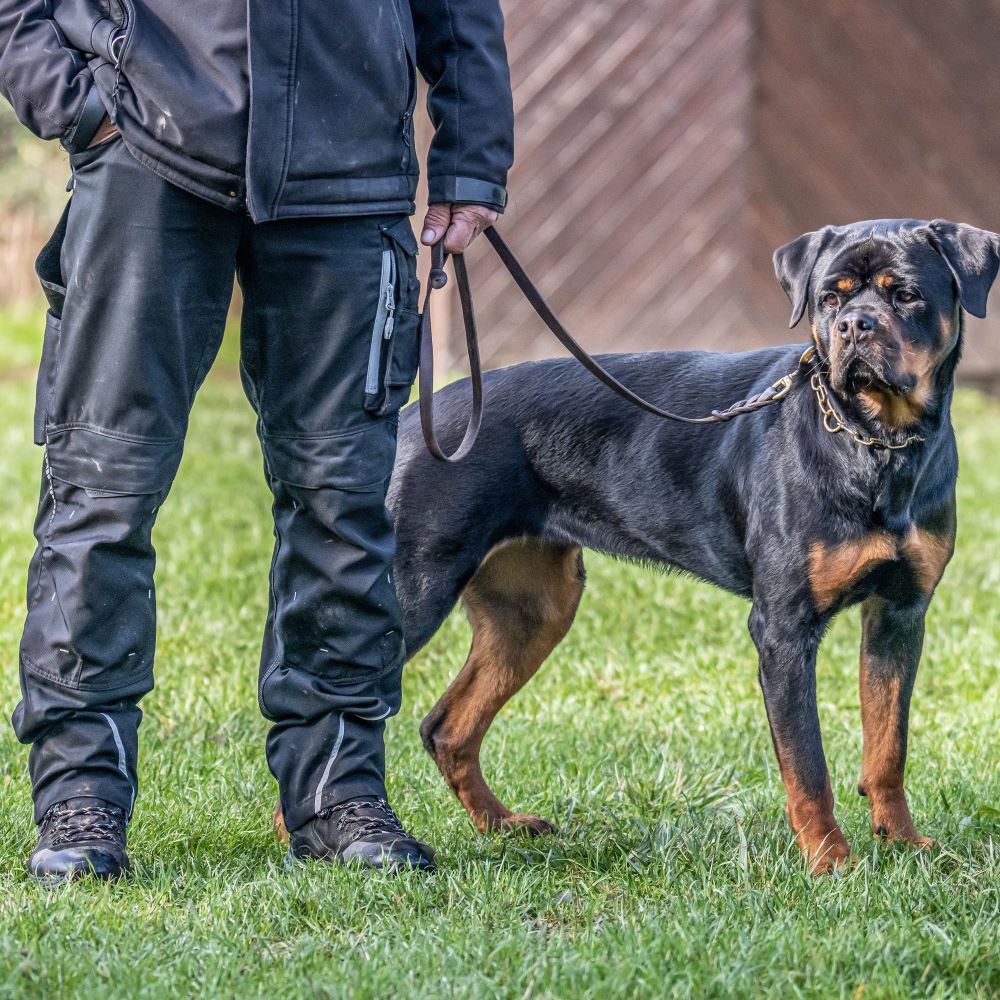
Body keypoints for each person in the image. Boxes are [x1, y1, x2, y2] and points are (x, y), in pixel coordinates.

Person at [0, 0, 513, 881]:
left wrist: (472, 157)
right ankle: (79, 797)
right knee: (103, 487)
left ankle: (337, 795)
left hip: (349, 174)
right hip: (146, 151)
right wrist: (80, 106)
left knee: (343, 502)